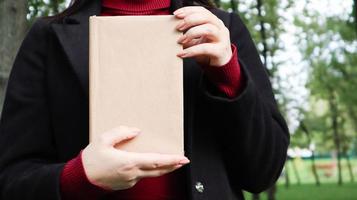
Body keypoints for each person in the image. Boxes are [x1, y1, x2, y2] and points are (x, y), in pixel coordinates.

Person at [0, 0, 290, 199]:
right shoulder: (48, 38)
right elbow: (11, 181)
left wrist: (229, 74)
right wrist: (79, 177)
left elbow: (263, 171)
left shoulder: (222, 29)